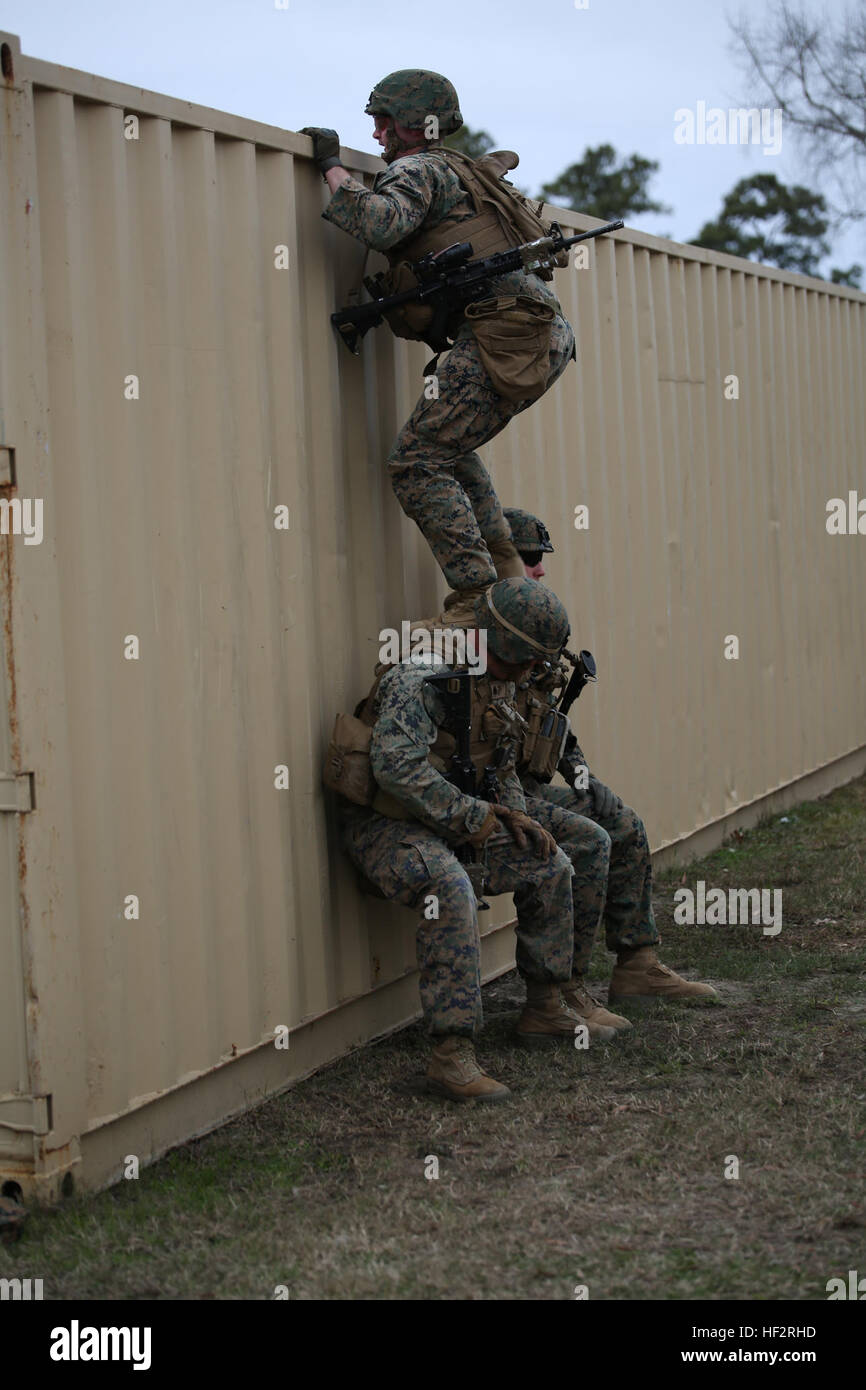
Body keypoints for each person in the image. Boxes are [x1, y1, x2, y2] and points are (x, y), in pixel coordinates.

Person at [328, 579, 616, 1105]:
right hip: (385, 825)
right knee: (450, 886)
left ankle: (546, 1005)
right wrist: (474, 816)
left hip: (457, 816)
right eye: (525, 661)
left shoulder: (498, 676)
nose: (530, 673)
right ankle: (451, 1054)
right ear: (498, 643)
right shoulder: (424, 674)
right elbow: (395, 768)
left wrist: (516, 816)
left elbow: (501, 761)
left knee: (548, 861)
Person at [301, 70, 575, 621]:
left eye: (383, 121)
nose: (376, 134)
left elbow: (379, 223)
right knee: (448, 447)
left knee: (416, 460)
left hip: (504, 333)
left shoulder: (418, 169)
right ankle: (507, 578)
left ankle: (476, 599)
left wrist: (330, 164)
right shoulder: (463, 170)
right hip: (540, 335)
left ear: (410, 123)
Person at [503, 507, 719, 1013]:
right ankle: (567, 989)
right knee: (589, 840)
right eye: (530, 558)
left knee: (621, 822)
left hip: (529, 788)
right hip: (496, 799)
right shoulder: (485, 637)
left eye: (541, 559)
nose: (540, 569)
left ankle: (638, 966)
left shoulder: (535, 629)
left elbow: (551, 720)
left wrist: (581, 776)